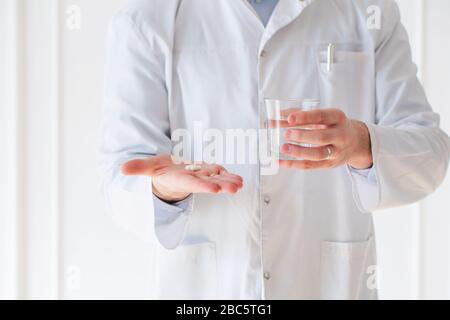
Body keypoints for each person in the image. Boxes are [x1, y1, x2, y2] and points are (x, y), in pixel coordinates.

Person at [98, 0, 450, 299]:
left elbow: (431, 155)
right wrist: (162, 190)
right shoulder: (148, 17)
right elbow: (122, 179)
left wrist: (362, 143)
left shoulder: (368, 10)